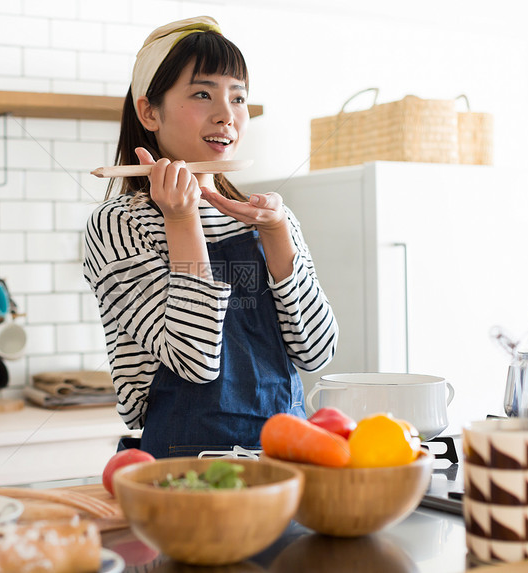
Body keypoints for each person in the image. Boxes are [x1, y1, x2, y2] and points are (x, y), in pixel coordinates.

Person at [83, 16, 338, 458]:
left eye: (238, 97)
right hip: (183, 470)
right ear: (149, 112)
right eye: (203, 93)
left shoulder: (271, 218)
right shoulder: (119, 225)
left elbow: (317, 353)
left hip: (289, 462)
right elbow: (194, 361)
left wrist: (277, 236)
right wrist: (182, 222)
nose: (227, 114)